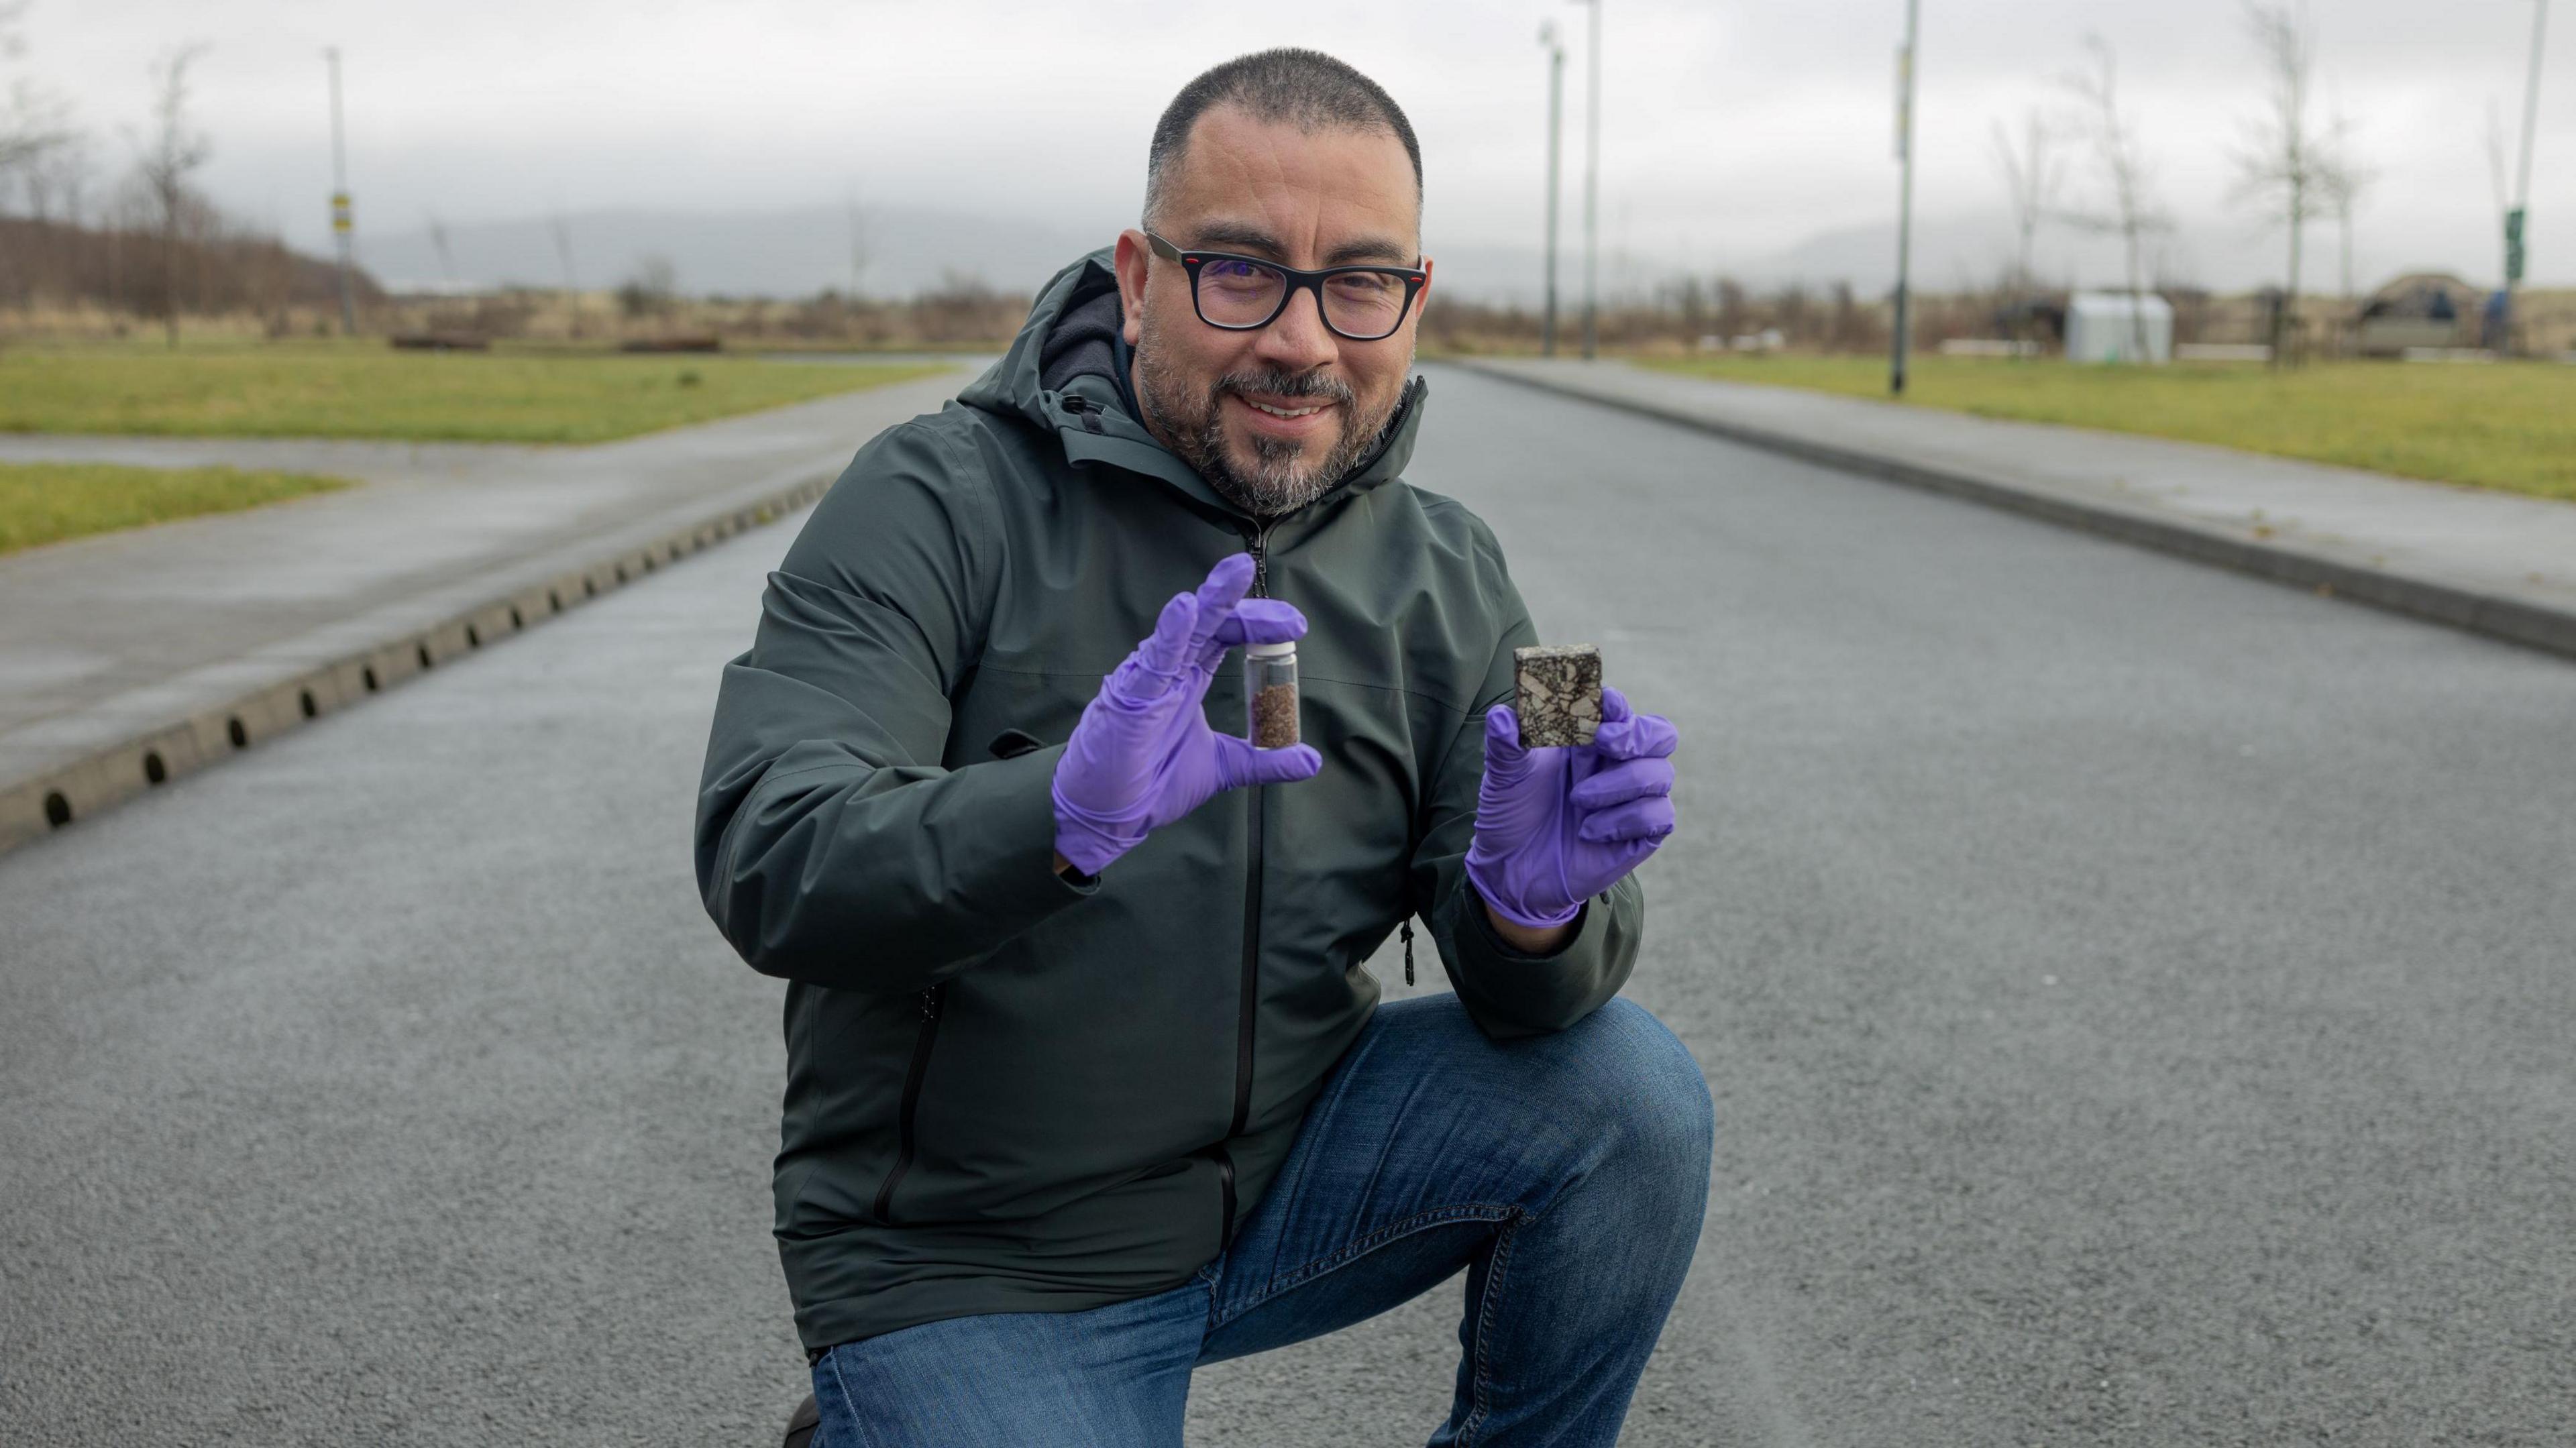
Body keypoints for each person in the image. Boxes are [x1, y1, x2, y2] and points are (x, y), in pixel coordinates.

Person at [696, 48, 1712, 1448]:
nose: (1303, 339)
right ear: (1136, 275)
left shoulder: (1453, 568)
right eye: (1240, 270)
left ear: (1416, 297)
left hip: (1292, 1168)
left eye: (1360, 281)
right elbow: (769, 851)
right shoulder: (932, 497)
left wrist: (1539, 914)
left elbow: (1540, 999)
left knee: (1633, 1093)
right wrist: (1053, 814)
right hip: (981, 1257)